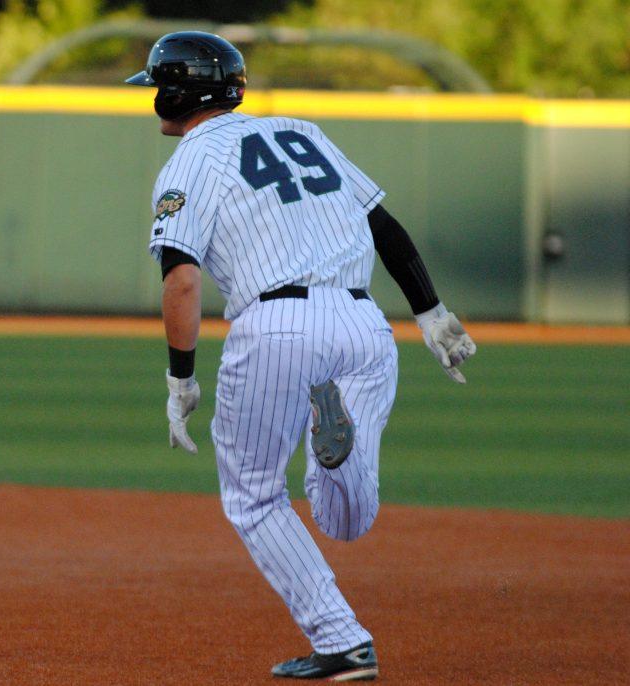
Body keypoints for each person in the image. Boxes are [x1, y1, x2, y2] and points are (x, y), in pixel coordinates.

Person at [126, 32, 476, 681]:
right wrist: (430, 313)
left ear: (174, 93)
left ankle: (343, 641)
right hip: (363, 324)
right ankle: (332, 445)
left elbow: (182, 280)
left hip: (276, 326)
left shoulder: (185, 167)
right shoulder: (304, 132)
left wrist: (180, 378)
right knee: (346, 519)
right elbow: (384, 228)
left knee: (255, 498)